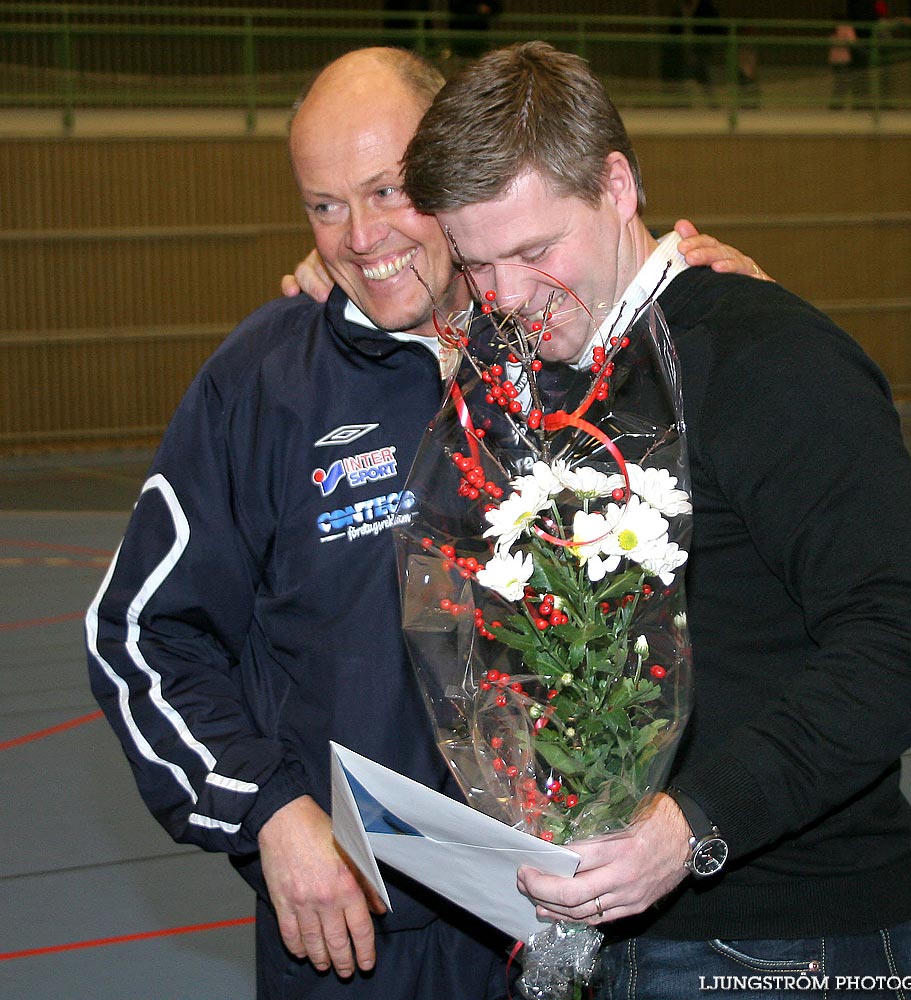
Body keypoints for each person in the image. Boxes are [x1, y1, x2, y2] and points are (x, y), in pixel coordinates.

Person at [85, 45, 770, 1000]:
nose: (360, 238)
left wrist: (729, 303)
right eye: (325, 206)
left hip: (598, 921)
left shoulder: (572, 344)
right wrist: (273, 815)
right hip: (357, 934)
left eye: (387, 191)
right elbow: (140, 637)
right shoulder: (264, 384)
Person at [401, 41, 911, 998]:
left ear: (618, 184)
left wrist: (692, 824)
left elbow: (907, 642)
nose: (506, 298)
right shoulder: (536, 379)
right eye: (476, 263)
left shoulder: (768, 356)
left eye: (537, 251)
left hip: (787, 941)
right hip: (599, 937)